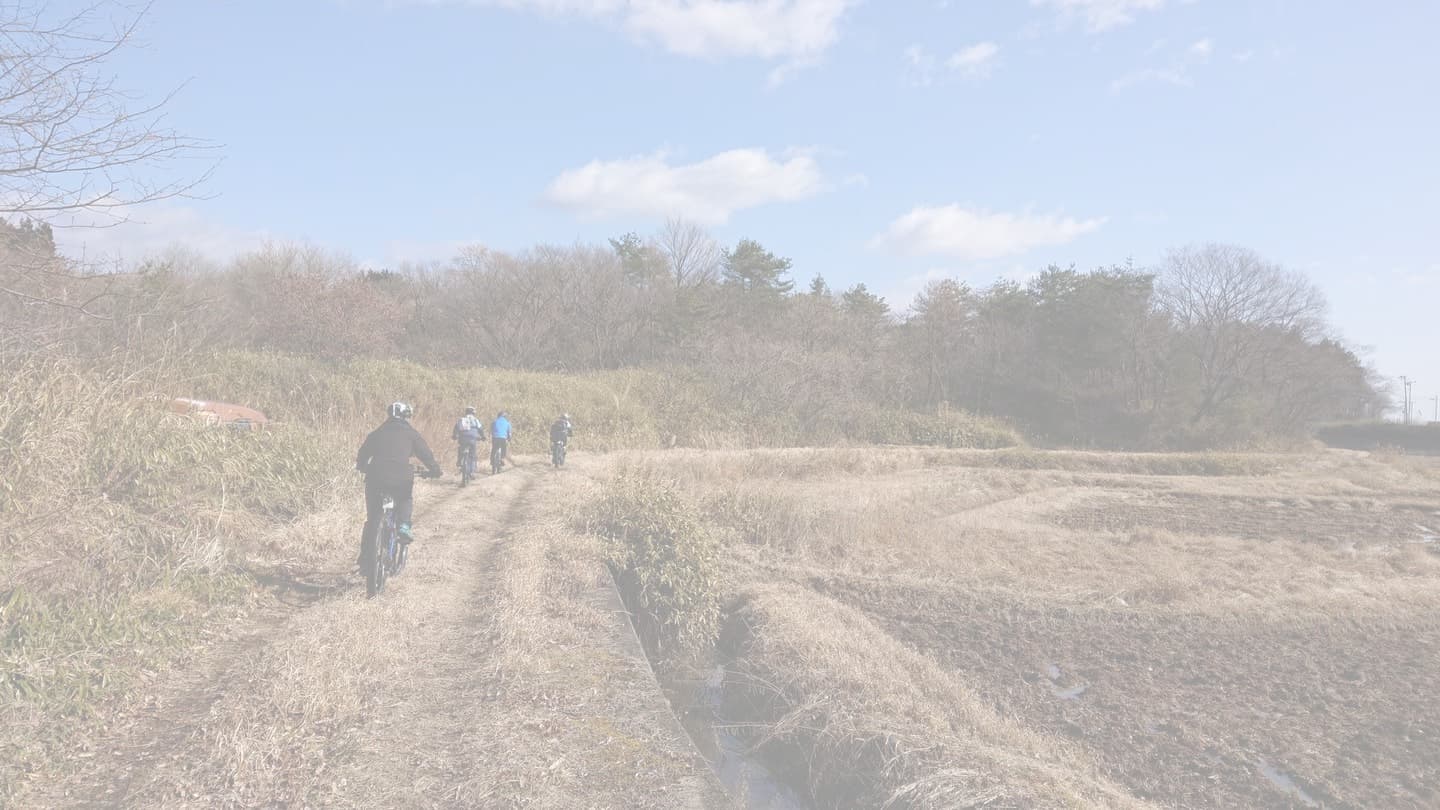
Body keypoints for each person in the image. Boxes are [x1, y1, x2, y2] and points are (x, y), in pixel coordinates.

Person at [355, 402, 442, 569]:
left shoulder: (377, 433)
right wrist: (435, 470)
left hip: (375, 477)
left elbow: (362, 454)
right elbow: (425, 454)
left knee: (372, 519)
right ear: (406, 416)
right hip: (401, 478)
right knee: (405, 499)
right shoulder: (411, 433)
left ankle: (366, 554)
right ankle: (403, 525)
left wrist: (362, 466)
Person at [452, 406, 486, 476]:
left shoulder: (461, 419)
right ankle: (472, 471)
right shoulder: (476, 420)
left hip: (463, 438)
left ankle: (459, 461)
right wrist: (483, 437)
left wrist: (454, 436)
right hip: (472, 438)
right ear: (473, 413)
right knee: (473, 455)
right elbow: (480, 429)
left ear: (466, 412)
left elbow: (456, 428)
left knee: (460, 449)